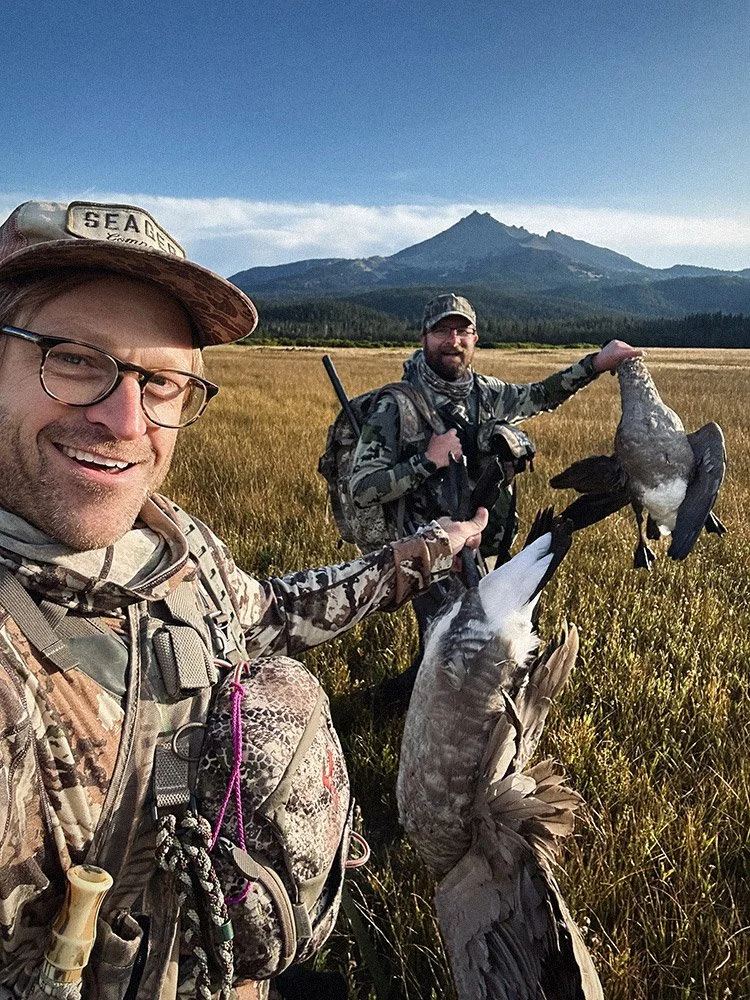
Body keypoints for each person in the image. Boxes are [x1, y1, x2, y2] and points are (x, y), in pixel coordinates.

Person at [0, 202, 487, 1000]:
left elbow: (270, 615)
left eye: (160, 381)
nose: (126, 420)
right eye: (74, 359)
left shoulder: (172, 542)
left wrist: (428, 551)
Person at [349, 292, 640, 707]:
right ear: (424, 337)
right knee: (451, 648)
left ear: (475, 338)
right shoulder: (396, 405)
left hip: (482, 543)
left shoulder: (487, 393)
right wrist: (426, 463)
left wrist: (597, 362)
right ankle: (398, 711)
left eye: (462, 330)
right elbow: (362, 487)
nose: (453, 340)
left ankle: (409, 704)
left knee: (480, 641)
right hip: (426, 549)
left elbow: (543, 395)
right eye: (442, 331)